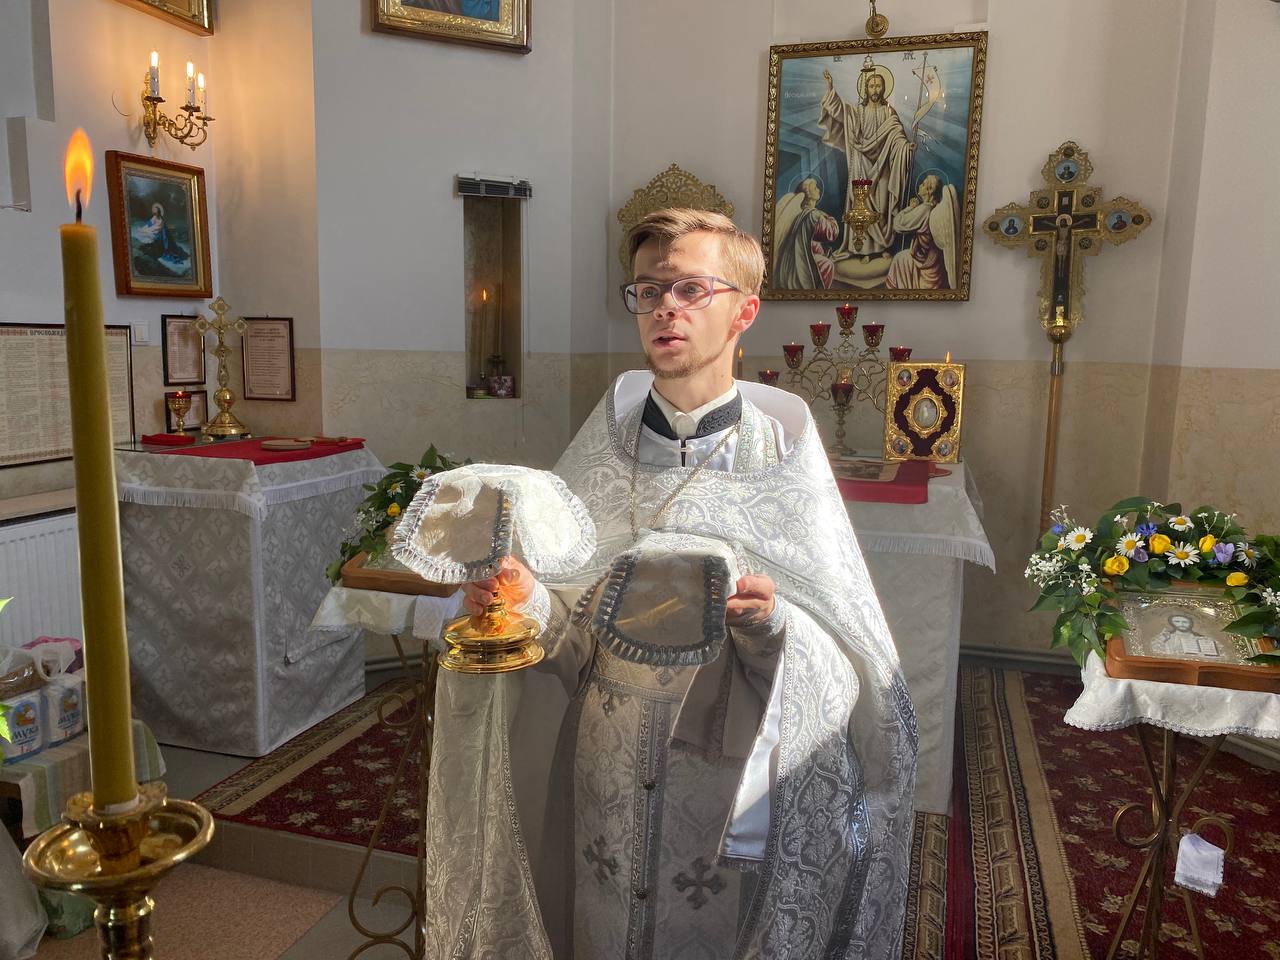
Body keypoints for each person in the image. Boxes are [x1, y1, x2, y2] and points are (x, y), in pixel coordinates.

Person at [422, 208, 916, 959]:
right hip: (605, 762)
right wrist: (524, 599)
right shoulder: (602, 452)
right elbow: (570, 635)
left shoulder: (781, 458)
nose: (665, 308)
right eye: (649, 290)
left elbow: (849, 657)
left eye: (690, 289)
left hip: (721, 773)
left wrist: (772, 627)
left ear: (744, 311)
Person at [818, 58, 915, 259]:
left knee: (882, 204)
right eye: (871, 85)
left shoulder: (889, 112)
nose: (875, 89)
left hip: (883, 165)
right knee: (859, 205)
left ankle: (881, 248)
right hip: (861, 164)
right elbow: (841, 112)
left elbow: (897, 135)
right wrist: (830, 89)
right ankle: (859, 249)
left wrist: (906, 147)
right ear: (866, 88)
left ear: (884, 88)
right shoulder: (858, 111)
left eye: (878, 85)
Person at [885, 174, 959, 290]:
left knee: (899, 259)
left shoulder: (924, 209)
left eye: (923, 184)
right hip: (932, 261)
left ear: (929, 191)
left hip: (925, 263)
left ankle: (896, 293)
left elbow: (898, 224)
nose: (920, 185)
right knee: (903, 258)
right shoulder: (934, 207)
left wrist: (910, 208)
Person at [772, 177, 841, 289]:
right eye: (815, 188)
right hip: (804, 260)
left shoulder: (801, 214)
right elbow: (832, 233)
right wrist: (829, 218)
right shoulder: (812, 215)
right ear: (809, 194)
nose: (818, 190)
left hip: (798, 259)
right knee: (827, 264)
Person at [1152, 613, 1222, 659]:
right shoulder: (1165, 637)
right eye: (1177, 622)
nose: (1181, 624)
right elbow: (1156, 652)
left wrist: (1204, 657)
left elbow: (1220, 653)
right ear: (1171, 623)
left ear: (1191, 624)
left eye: (1185, 622)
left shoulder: (1203, 639)